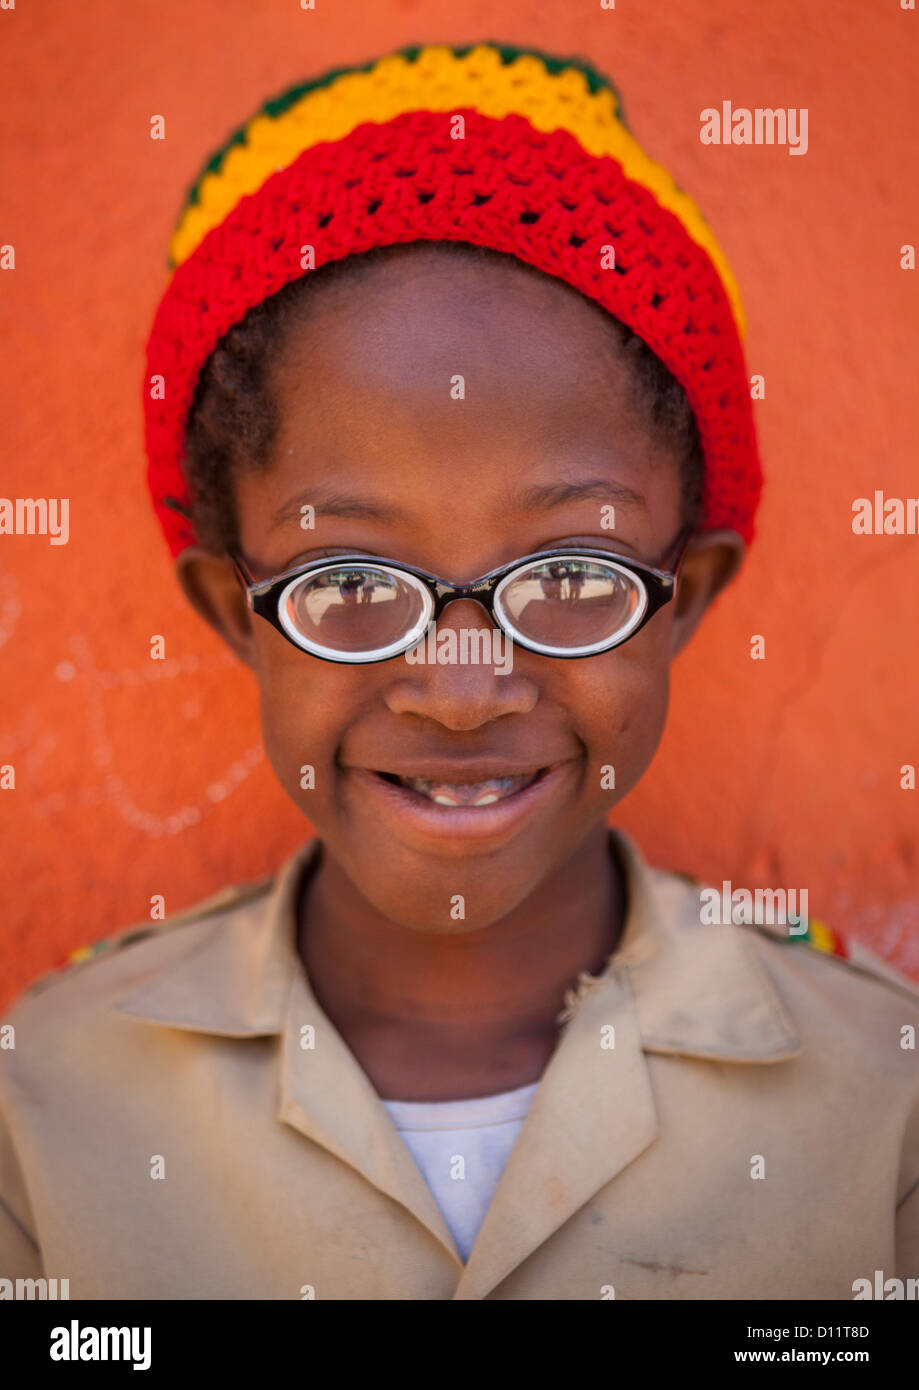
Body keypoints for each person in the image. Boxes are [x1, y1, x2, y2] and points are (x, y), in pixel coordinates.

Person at [1, 40, 916, 1302]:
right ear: (233, 611)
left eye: (573, 576)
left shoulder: (882, 1104)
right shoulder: (44, 1107)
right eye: (354, 587)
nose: (462, 687)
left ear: (684, 597)